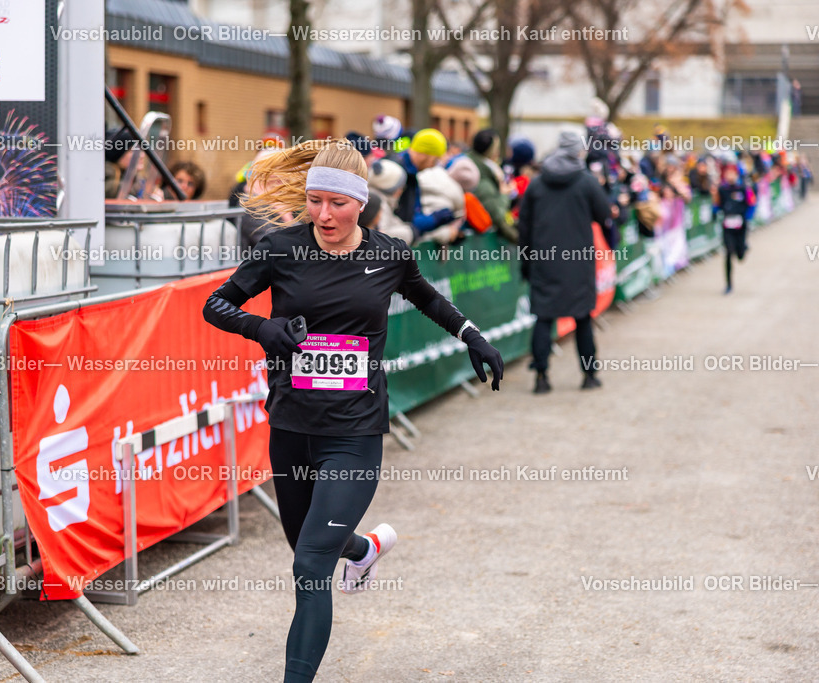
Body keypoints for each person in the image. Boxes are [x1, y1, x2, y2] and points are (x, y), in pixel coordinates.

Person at [202, 138, 503, 682]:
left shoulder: (387, 254)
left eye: (336, 204)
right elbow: (217, 304)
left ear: (360, 201)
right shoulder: (281, 248)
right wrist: (264, 329)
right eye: (314, 201)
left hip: (355, 430)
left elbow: (429, 298)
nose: (323, 215)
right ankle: (362, 549)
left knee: (310, 564)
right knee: (308, 541)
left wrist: (471, 334)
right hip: (293, 425)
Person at [517, 131, 612, 393]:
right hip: (578, 262)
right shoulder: (586, 182)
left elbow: (523, 227)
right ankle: (589, 375)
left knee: (543, 318)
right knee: (582, 318)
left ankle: (541, 377)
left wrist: (525, 262)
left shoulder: (537, 183)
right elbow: (605, 214)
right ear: (578, 152)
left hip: (543, 260)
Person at [390, 128, 458, 236]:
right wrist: (434, 219)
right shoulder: (398, 173)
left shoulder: (411, 173)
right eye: (435, 160)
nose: (433, 166)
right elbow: (402, 220)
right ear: (424, 154)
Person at [466, 128, 516, 243]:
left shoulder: (486, 171)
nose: (498, 152)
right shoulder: (482, 180)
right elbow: (497, 215)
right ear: (490, 151)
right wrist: (504, 194)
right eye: (496, 148)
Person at [713, 163, 753, 295]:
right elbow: (717, 205)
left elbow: (752, 203)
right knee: (728, 253)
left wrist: (746, 218)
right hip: (727, 226)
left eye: (732, 173)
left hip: (741, 226)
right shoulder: (722, 189)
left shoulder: (743, 188)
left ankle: (743, 248)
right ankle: (729, 284)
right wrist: (715, 211)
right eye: (727, 173)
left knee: (740, 255)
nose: (730, 175)